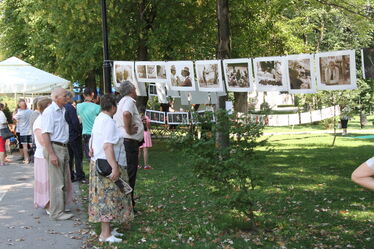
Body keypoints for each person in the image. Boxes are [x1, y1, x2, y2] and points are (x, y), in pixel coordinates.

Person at [89, 94, 133, 243]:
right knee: (106, 199)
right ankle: (105, 234)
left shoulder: (100, 118)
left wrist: (91, 148)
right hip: (107, 164)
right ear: (113, 107)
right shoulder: (107, 121)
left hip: (99, 161)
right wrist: (115, 167)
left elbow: (93, 137)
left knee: (111, 198)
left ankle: (109, 229)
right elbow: (107, 145)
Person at [41, 88, 73, 221]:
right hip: (55, 147)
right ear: (56, 97)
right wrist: (51, 154)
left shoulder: (62, 110)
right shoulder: (50, 112)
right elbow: (45, 134)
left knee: (64, 180)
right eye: (65, 95)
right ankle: (56, 212)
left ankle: (61, 208)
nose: (67, 97)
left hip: (63, 147)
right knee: (57, 182)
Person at [113, 81, 144, 210]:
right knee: (130, 173)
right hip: (129, 142)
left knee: (127, 173)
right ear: (131, 90)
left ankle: (126, 203)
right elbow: (126, 114)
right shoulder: (129, 101)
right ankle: (128, 205)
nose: (136, 92)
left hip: (126, 141)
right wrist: (129, 129)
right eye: (135, 89)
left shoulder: (122, 101)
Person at [65, 91, 84, 182]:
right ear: (69, 98)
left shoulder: (63, 108)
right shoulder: (70, 108)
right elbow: (75, 122)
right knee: (77, 155)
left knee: (70, 157)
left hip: (67, 135)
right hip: (74, 135)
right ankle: (79, 174)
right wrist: (79, 131)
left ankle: (71, 175)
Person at [77, 88, 101, 160]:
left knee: (89, 156)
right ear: (93, 94)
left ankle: (91, 169)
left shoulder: (79, 106)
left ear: (84, 95)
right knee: (97, 155)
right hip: (96, 133)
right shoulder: (98, 107)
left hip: (85, 133)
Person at [14, 99, 33, 164]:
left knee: (25, 147)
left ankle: (26, 159)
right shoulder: (31, 111)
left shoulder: (20, 113)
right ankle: (34, 158)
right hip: (30, 131)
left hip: (23, 132)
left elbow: (14, 118)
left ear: (20, 106)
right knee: (32, 145)